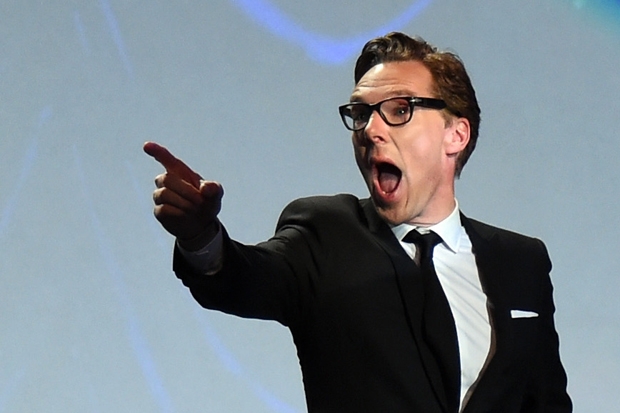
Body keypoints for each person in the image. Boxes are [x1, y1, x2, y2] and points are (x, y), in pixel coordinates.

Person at [144, 32, 572, 413]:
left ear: (455, 135)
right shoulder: (326, 232)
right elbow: (245, 276)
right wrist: (201, 235)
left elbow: (546, 400)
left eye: (399, 109)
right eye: (361, 113)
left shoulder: (522, 261)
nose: (370, 129)